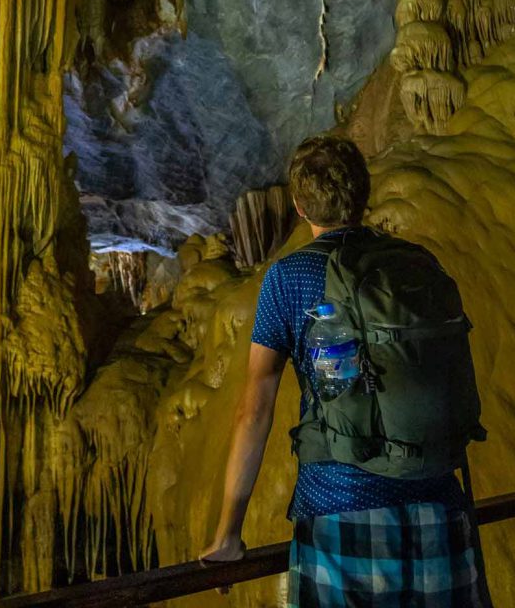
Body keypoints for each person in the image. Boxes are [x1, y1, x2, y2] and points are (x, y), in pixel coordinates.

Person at [200, 135, 485, 606]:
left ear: (299, 205)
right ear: (364, 193)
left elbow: (254, 411)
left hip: (340, 510)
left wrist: (229, 531)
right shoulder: (416, 262)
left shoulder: (288, 278)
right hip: (439, 508)